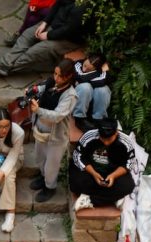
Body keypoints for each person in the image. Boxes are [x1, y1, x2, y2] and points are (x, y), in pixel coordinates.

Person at [0, 0, 90, 76]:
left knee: (35, 52)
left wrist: (48, 35)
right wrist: (45, 22)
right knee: (27, 34)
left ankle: (7, 68)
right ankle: (4, 63)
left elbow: (68, 30)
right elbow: (57, 5)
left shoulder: (81, 8)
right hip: (54, 26)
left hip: (68, 39)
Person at [27, 59, 78, 203]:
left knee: (52, 163)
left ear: (68, 77)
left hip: (56, 136)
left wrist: (38, 110)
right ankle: (43, 178)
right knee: (40, 156)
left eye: (59, 75)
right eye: (55, 73)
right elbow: (41, 89)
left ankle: (50, 187)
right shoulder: (52, 83)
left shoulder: (70, 95)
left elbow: (57, 116)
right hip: (41, 130)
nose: (56, 78)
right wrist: (32, 91)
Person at [69, 119, 136, 211]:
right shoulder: (89, 136)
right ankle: (114, 197)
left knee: (128, 186)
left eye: (109, 139)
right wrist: (93, 173)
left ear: (116, 133)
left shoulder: (126, 141)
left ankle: (89, 199)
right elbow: (78, 157)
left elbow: (129, 163)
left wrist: (113, 176)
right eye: (102, 138)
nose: (106, 142)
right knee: (75, 184)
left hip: (113, 172)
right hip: (91, 171)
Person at [72, 53, 111, 131]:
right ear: (86, 58)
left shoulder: (103, 72)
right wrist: (98, 72)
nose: (84, 70)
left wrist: (87, 78)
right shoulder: (78, 64)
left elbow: (102, 82)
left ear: (97, 68)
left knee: (103, 89)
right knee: (85, 87)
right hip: (77, 101)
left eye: (89, 69)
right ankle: (79, 119)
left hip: (93, 103)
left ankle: (98, 119)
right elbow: (80, 78)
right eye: (85, 66)